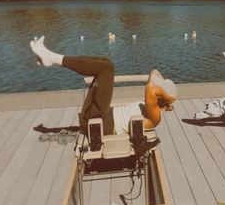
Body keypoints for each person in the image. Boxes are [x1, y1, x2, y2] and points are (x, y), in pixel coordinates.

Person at [30, 36, 177, 135]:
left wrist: (168, 95)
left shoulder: (155, 116)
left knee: (105, 68)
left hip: (98, 123)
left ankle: (53, 57)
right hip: (100, 115)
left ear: (161, 95)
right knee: (106, 63)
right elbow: (155, 73)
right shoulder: (152, 102)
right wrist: (164, 86)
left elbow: (150, 87)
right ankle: (52, 58)